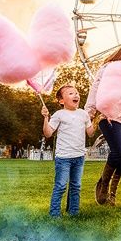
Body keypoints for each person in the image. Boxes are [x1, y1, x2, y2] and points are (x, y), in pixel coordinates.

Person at [85, 42, 121, 206]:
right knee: (119, 151)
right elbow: (96, 87)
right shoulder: (108, 68)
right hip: (106, 115)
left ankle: (111, 195)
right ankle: (103, 185)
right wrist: (90, 110)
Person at [42, 85, 96, 217]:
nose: (76, 95)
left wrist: (96, 119)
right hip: (64, 158)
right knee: (60, 186)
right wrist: (45, 118)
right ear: (61, 101)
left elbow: (90, 133)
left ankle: (74, 213)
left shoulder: (83, 114)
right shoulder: (59, 115)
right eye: (71, 93)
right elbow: (48, 133)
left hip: (79, 157)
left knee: (76, 186)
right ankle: (54, 214)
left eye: (77, 93)